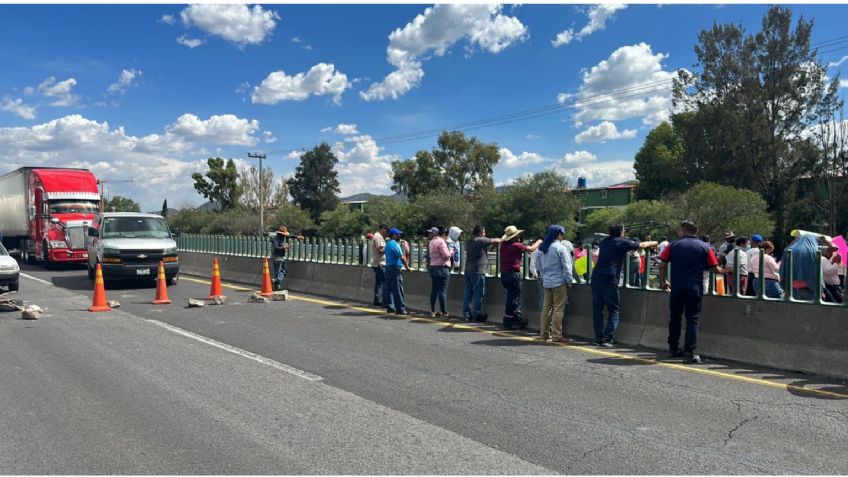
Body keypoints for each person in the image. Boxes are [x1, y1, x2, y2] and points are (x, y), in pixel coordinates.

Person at [659, 221, 723, 364]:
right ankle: (690, 352)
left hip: (676, 288)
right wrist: (726, 271)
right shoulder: (705, 247)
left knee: (675, 317)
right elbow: (715, 269)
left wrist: (664, 281)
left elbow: (662, 265)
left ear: (684, 230)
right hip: (694, 288)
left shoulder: (673, 245)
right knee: (692, 319)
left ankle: (673, 348)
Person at [592, 224, 657, 347]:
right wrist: (654, 242)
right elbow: (642, 245)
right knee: (614, 309)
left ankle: (598, 338)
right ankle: (607, 338)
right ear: (622, 232)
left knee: (597, 310)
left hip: (596, 277)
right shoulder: (622, 242)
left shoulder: (604, 241)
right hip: (610, 279)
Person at [534, 225, 573, 343]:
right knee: (558, 309)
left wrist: (544, 277)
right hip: (559, 282)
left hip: (547, 282)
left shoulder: (542, 248)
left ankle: (544, 333)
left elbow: (539, 266)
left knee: (546, 308)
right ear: (559, 234)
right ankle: (556, 335)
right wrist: (569, 282)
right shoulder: (560, 248)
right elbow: (567, 267)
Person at [499, 226, 542, 330]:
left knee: (510, 296)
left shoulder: (504, 245)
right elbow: (531, 249)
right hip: (513, 273)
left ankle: (509, 318)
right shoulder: (516, 245)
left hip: (504, 274)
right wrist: (539, 241)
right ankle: (512, 319)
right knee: (515, 298)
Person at [462, 226, 500, 322]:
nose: (485, 235)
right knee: (478, 294)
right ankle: (476, 314)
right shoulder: (480, 240)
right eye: (484, 233)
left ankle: (466, 314)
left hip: (468, 270)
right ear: (480, 233)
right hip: (478, 271)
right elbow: (496, 240)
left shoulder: (469, 241)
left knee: (468, 294)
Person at [780, 234, 824, 301]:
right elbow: (818, 273)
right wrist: (821, 289)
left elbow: (782, 270)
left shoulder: (788, 250)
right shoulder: (815, 252)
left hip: (791, 289)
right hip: (809, 289)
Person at [384, 228, 410, 315]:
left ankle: (390, 307)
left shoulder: (387, 244)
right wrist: (407, 267)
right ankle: (400, 309)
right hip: (395, 268)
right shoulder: (394, 244)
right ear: (394, 235)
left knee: (389, 288)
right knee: (398, 289)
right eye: (398, 234)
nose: (400, 236)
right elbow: (401, 257)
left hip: (388, 267)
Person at [428, 226, 452, 317]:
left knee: (434, 289)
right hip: (442, 268)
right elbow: (446, 255)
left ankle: (433, 310)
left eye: (430, 232)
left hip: (433, 267)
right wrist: (452, 252)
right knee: (442, 291)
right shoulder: (441, 241)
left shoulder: (431, 242)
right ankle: (444, 311)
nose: (429, 234)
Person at [370, 224, 389, 307]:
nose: (386, 232)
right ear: (382, 229)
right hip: (380, 264)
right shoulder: (378, 237)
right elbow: (380, 249)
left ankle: (377, 300)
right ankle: (385, 302)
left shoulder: (378, 236)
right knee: (385, 282)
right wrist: (388, 248)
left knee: (379, 283)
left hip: (377, 263)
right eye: (386, 230)